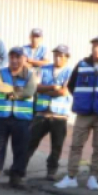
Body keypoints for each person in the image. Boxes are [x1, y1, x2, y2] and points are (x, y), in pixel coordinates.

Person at [0, 47, 38, 189]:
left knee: (21, 149)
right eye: (12, 57)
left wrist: (10, 90)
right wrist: (19, 91)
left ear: (24, 59)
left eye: (17, 57)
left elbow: (29, 92)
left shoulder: (30, 75)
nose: (14, 60)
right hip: (1, 117)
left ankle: (16, 177)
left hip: (22, 118)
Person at [55, 36, 98, 191]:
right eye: (94, 46)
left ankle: (93, 177)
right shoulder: (82, 64)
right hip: (84, 113)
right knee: (76, 145)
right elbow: (71, 85)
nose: (96, 49)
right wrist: (81, 99)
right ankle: (71, 176)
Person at [25, 45, 72, 181]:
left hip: (59, 115)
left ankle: (51, 171)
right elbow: (36, 87)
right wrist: (53, 88)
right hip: (42, 113)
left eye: (61, 55)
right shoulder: (44, 69)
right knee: (30, 141)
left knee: (56, 145)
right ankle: (20, 166)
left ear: (67, 58)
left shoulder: (70, 71)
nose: (57, 57)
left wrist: (48, 90)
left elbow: (64, 91)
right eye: (56, 54)